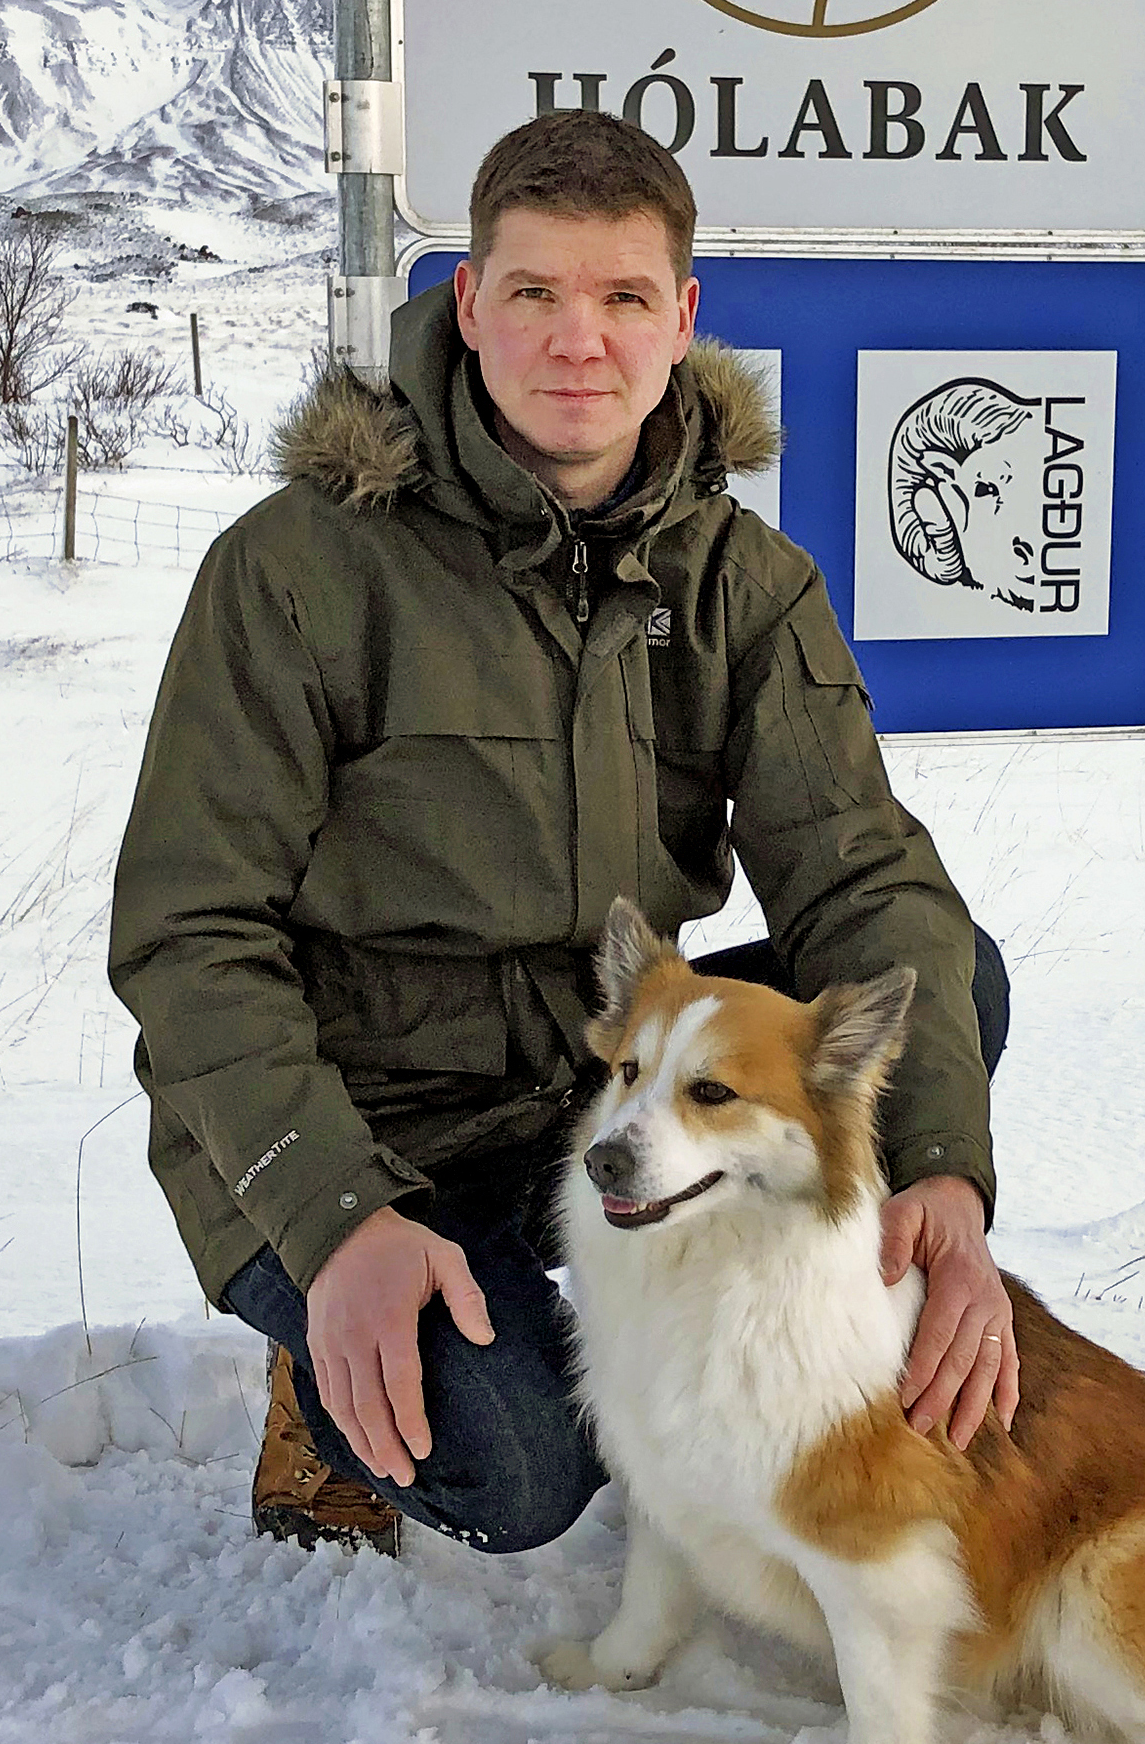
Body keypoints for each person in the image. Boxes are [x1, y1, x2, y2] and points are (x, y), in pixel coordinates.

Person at [108, 109, 1016, 1557]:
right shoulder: (300, 569)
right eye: (531, 292)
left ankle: (747, 1329)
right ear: (469, 303)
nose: (574, 340)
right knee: (523, 1468)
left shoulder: (740, 583)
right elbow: (187, 933)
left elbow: (862, 874)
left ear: (681, 320)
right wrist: (334, 1218)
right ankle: (327, 1358)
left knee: (943, 977)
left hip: (595, 1091)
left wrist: (945, 1179)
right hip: (361, 1120)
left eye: (620, 298)